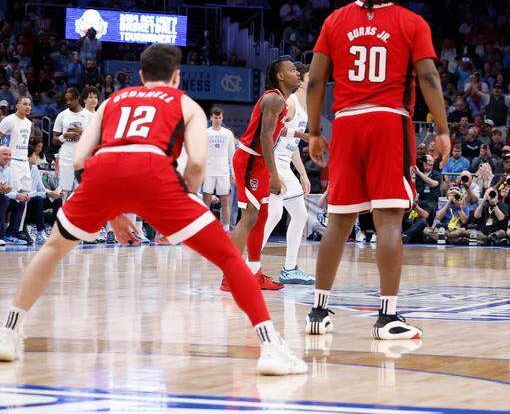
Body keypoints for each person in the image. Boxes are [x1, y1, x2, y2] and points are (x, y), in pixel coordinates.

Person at [0, 44, 306, 374]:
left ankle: (8, 332)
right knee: (231, 260)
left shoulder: (112, 101)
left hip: (103, 172)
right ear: (176, 76)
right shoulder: (187, 104)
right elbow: (197, 164)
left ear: (142, 75)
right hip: (156, 172)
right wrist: (181, 205)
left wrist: (113, 209)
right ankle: (271, 346)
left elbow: (80, 159)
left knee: (52, 249)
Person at [305, 0, 450, 340]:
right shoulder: (411, 22)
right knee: (389, 220)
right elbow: (429, 76)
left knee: (339, 219)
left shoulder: (335, 20)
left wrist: (315, 130)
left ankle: (318, 311)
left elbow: (316, 80)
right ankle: (387, 317)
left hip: (347, 122)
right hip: (388, 119)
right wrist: (442, 128)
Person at [225, 59, 302, 292]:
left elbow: (274, 131)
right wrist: (274, 174)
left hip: (257, 161)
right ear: (280, 76)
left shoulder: (280, 101)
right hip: (251, 160)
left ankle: (255, 273)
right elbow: (266, 138)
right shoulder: (274, 99)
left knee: (261, 215)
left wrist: (304, 136)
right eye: (292, 70)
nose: (297, 73)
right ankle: (229, 276)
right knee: (248, 217)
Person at [265, 63, 315, 285]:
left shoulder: (305, 107)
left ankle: (290, 268)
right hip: (273, 163)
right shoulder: (291, 103)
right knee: (273, 215)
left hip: (286, 164)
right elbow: (271, 132)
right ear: (303, 81)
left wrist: (303, 174)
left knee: (301, 215)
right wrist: (271, 170)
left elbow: (292, 144)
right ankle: (247, 265)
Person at [52, 88, 93, 199]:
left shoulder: (89, 116)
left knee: (82, 192)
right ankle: (63, 215)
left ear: (77, 98)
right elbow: (54, 140)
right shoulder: (62, 115)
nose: (68, 102)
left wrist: (82, 133)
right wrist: (65, 136)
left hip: (83, 159)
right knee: (64, 191)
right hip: (66, 158)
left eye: (71, 99)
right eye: (67, 100)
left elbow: (97, 139)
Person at [203, 107, 236, 230]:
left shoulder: (228, 134)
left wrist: (233, 173)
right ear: (211, 118)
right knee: (206, 202)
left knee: (225, 202)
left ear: (222, 118)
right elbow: (201, 153)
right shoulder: (205, 133)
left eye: (219, 117)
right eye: (215, 117)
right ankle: (205, 228)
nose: (217, 120)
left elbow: (232, 155)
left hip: (223, 172)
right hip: (208, 171)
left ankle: (226, 229)